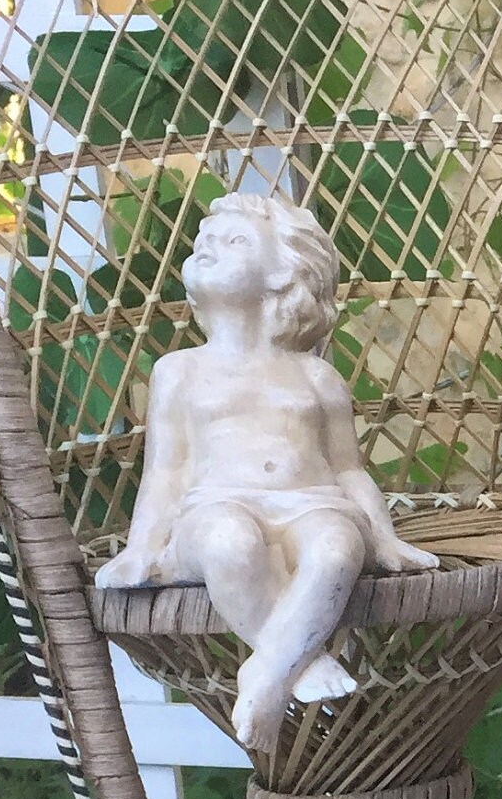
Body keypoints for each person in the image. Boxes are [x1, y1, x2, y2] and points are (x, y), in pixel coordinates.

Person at [96, 191, 437, 749]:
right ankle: (298, 666)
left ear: (282, 277)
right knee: (231, 543)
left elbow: (348, 470)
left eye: (233, 241)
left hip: (312, 501)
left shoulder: (315, 376)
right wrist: (141, 547)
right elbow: (166, 471)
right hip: (213, 507)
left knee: (336, 548)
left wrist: (386, 539)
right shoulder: (179, 370)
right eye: (206, 238)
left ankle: (269, 672)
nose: (207, 245)